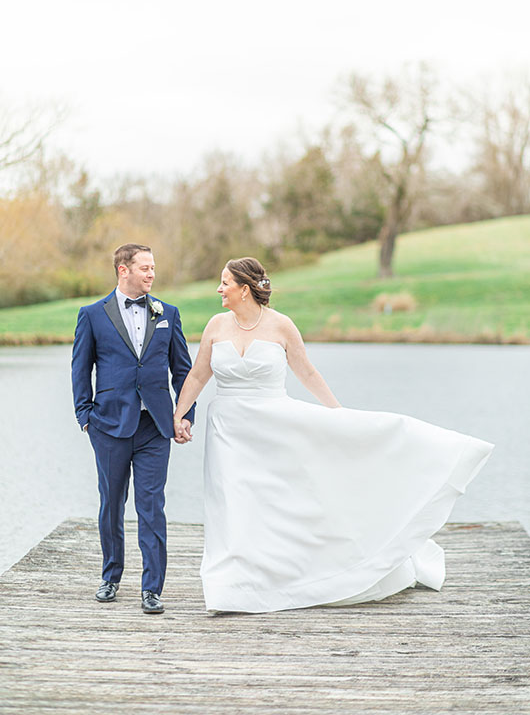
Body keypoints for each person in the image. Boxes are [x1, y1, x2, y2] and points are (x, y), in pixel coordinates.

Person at [173, 256, 493, 614]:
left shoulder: (281, 326)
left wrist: (339, 416)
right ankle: (232, 587)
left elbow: (307, 373)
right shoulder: (216, 326)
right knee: (231, 506)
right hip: (228, 432)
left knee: (282, 503)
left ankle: (295, 576)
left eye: (225, 283)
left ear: (244, 290)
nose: (219, 289)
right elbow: (199, 375)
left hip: (275, 428)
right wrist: (180, 413)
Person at [71, 243, 195, 614]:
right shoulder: (92, 315)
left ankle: (152, 588)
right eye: (144, 268)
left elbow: (183, 370)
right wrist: (85, 418)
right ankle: (110, 577)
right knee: (111, 504)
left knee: (152, 506)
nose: (151, 274)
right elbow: (80, 368)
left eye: (153, 268)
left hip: (156, 426)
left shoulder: (167, 313)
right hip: (108, 424)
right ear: (123, 270)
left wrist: (185, 414)